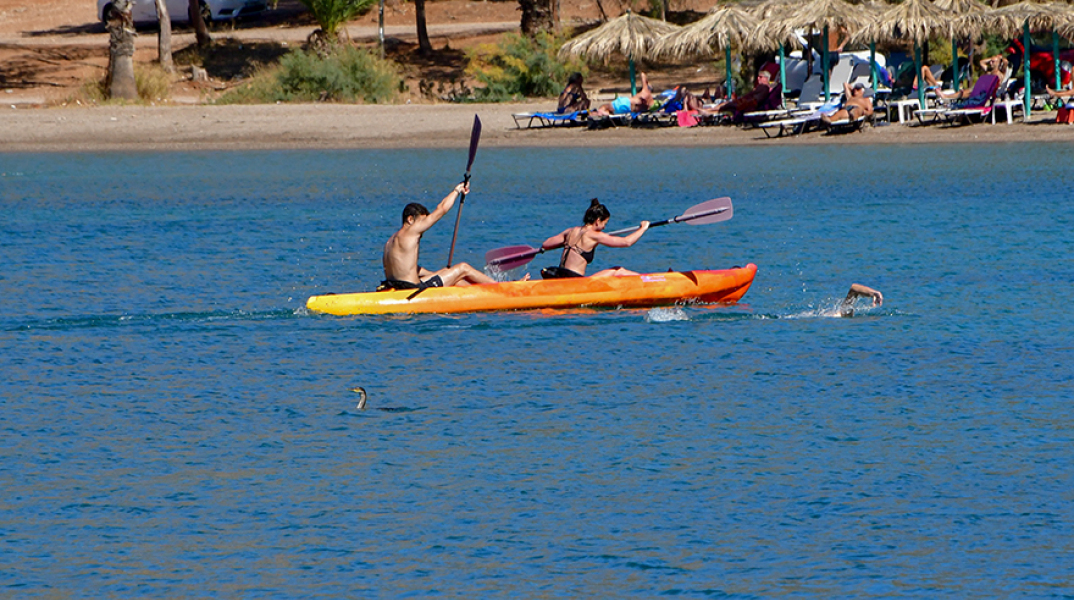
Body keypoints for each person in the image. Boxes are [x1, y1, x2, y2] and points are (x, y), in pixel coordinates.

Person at [379, 182, 498, 291]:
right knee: (463, 268)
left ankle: (480, 293)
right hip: (412, 289)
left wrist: (438, 273)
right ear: (410, 219)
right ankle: (500, 288)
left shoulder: (390, 242)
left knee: (452, 276)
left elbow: (407, 267)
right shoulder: (411, 231)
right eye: (422, 221)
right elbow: (442, 209)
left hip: (395, 287)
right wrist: (457, 190)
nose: (424, 228)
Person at [538, 198, 650, 279]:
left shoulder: (570, 231)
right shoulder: (595, 235)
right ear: (597, 221)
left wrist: (567, 243)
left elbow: (546, 244)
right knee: (618, 270)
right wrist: (643, 228)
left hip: (560, 276)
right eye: (605, 223)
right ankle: (649, 280)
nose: (605, 227)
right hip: (575, 282)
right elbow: (627, 242)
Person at [708, 70, 773, 115]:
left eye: (760, 77)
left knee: (727, 105)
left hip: (747, 105)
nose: (758, 78)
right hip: (745, 103)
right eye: (758, 77)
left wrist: (743, 101)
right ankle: (709, 111)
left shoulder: (764, 88)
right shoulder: (762, 88)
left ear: (766, 78)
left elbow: (756, 100)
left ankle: (709, 111)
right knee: (726, 105)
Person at [591, 72, 655, 116]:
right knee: (610, 110)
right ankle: (603, 113)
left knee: (605, 106)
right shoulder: (651, 101)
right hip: (628, 110)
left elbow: (642, 74)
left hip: (625, 103)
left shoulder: (645, 91)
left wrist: (646, 82)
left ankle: (599, 112)